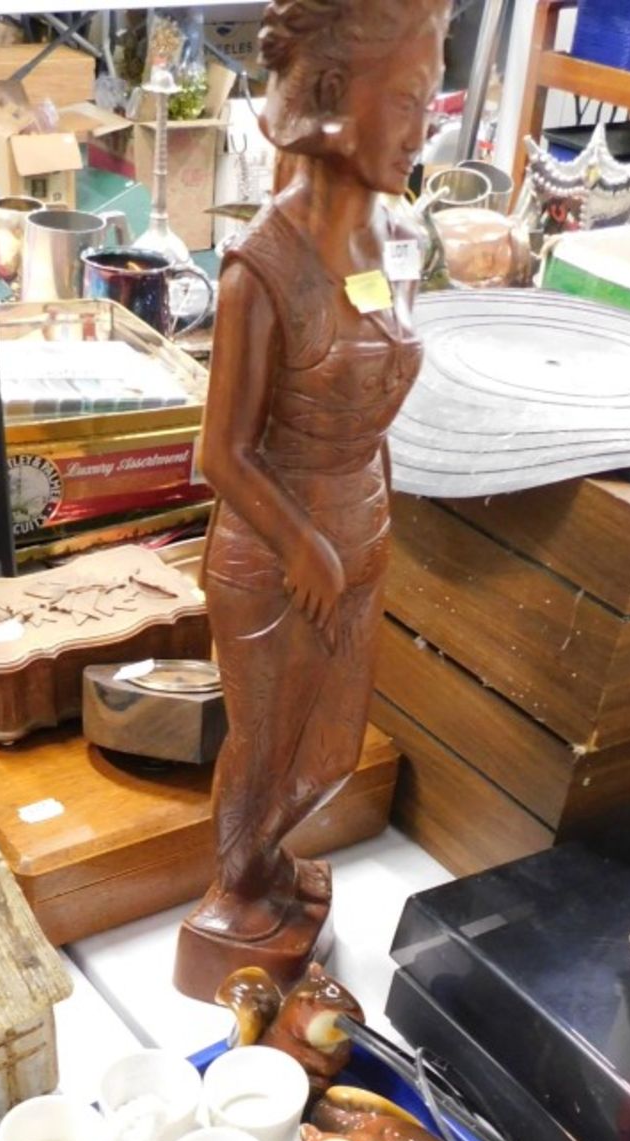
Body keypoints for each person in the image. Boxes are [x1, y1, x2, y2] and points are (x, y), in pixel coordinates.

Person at [174, 0, 449, 999]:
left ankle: (268, 869)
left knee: (333, 744)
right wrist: (306, 547)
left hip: (360, 529)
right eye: (412, 100)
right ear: (332, 97)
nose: (426, 129)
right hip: (273, 548)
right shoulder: (262, 266)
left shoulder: (401, 234)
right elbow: (223, 455)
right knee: (266, 743)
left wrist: (369, 527)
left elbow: (385, 387)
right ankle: (236, 898)